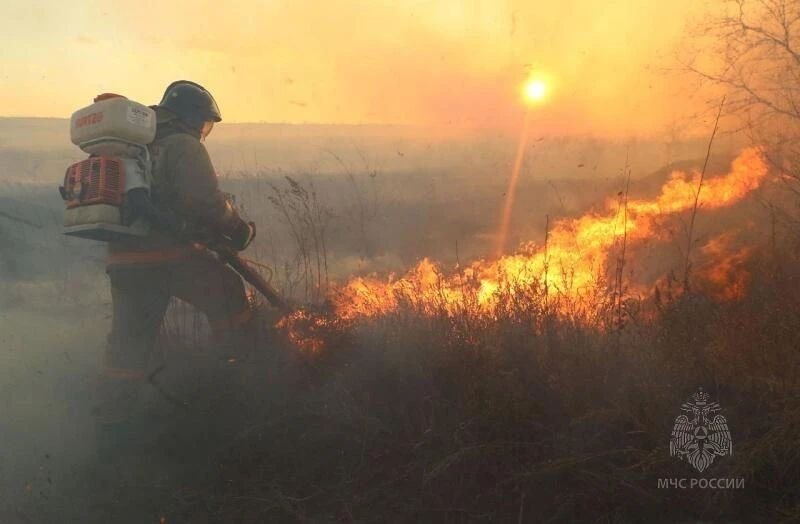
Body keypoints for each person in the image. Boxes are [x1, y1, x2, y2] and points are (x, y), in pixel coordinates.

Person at [94, 81, 258, 454]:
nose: (204, 131)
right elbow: (206, 203)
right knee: (228, 292)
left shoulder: (136, 147)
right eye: (204, 123)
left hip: (124, 262)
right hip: (168, 257)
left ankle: (110, 429)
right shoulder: (182, 145)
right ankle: (247, 374)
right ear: (191, 118)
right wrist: (238, 230)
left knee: (128, 345)